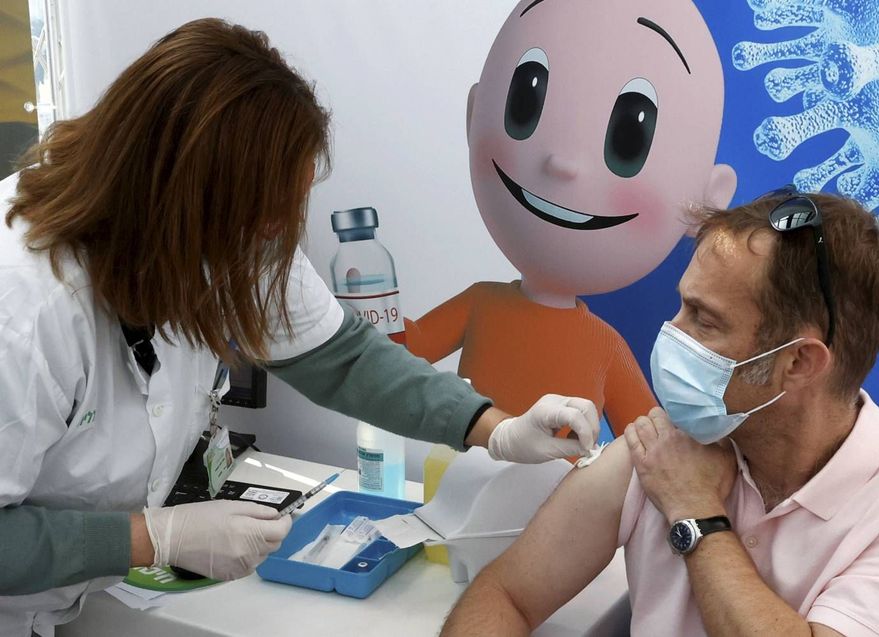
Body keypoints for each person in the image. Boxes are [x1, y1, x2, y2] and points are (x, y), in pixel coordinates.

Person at [0, 19, 599, 636]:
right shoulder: (25, 310)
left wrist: (493, 429)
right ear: (184, 203)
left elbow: (343, 359)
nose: (269, 250)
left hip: (58, 605)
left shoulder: (220, 238)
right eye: (259, 227)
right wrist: (150, 538)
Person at [441, 189, 879, 636]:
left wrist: (695, 511)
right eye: (683, 305)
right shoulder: (662, 448)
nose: (669, 333)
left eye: (703, 320)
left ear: (797, 363)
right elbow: (507, 594)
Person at [404, 0, 737, 438]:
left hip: (560, 499)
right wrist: (364, 304)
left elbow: (649, 444)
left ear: (706, 200)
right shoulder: (481, 304)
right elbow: (399, 354)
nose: (562, 164)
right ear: (474, 113)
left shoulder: (604, 346)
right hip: (464, 484)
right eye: (526, 100)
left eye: (628, 139)